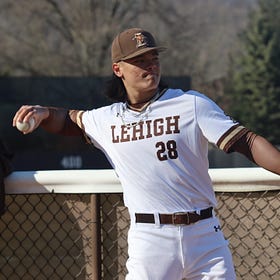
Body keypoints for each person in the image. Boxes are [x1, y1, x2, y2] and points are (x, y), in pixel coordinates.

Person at [13, 27, 280, 280]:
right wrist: (44, 113)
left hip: (205, 235)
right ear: (118, 69)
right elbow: (70, 121)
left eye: (153, 57)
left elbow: (247, 141)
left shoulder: (191, 104)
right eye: (139, 60)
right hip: (151, 238)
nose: (150, 64)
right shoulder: (109, 120)